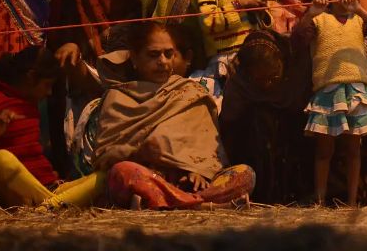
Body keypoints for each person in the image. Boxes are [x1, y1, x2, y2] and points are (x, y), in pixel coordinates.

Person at [93, 21, 256, 209]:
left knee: (245, 174)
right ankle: (200, 205)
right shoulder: (118, 97)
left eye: (168, 54)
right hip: (147, 179)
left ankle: (176, 201)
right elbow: (105, 158)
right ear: (135, 58)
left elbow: (209, 149)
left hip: (193, 185)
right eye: (153, 55)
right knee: (122, 173)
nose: (163, 61)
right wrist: (141, 152)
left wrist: (199, 171)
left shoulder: (191, 92)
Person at [296, 0, 367, 206]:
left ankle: (352, 202)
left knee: (353, 150)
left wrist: (362, 10)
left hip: (356, 92)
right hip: (329, 92)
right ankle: (319, 199)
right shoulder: (321, 20)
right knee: (324, 151)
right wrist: (310, 14)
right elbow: (298, 40)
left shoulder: (359, 20)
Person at [0, 46, 105, 208]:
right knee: (1, 158)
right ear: (31, 78)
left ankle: (50, 206)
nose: (49, 93)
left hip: (50, 188)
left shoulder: (30, 106)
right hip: (20, 194)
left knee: (105, 176)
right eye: (47, 85)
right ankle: (54, 206)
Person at [218, 30, 310, 204]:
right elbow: (229, 124)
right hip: (252, 154)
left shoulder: (295, 66)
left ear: (281, 61)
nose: (268, 85)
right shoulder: (239, 83)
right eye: (260, 80)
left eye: (274, 77)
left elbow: (297, 102)